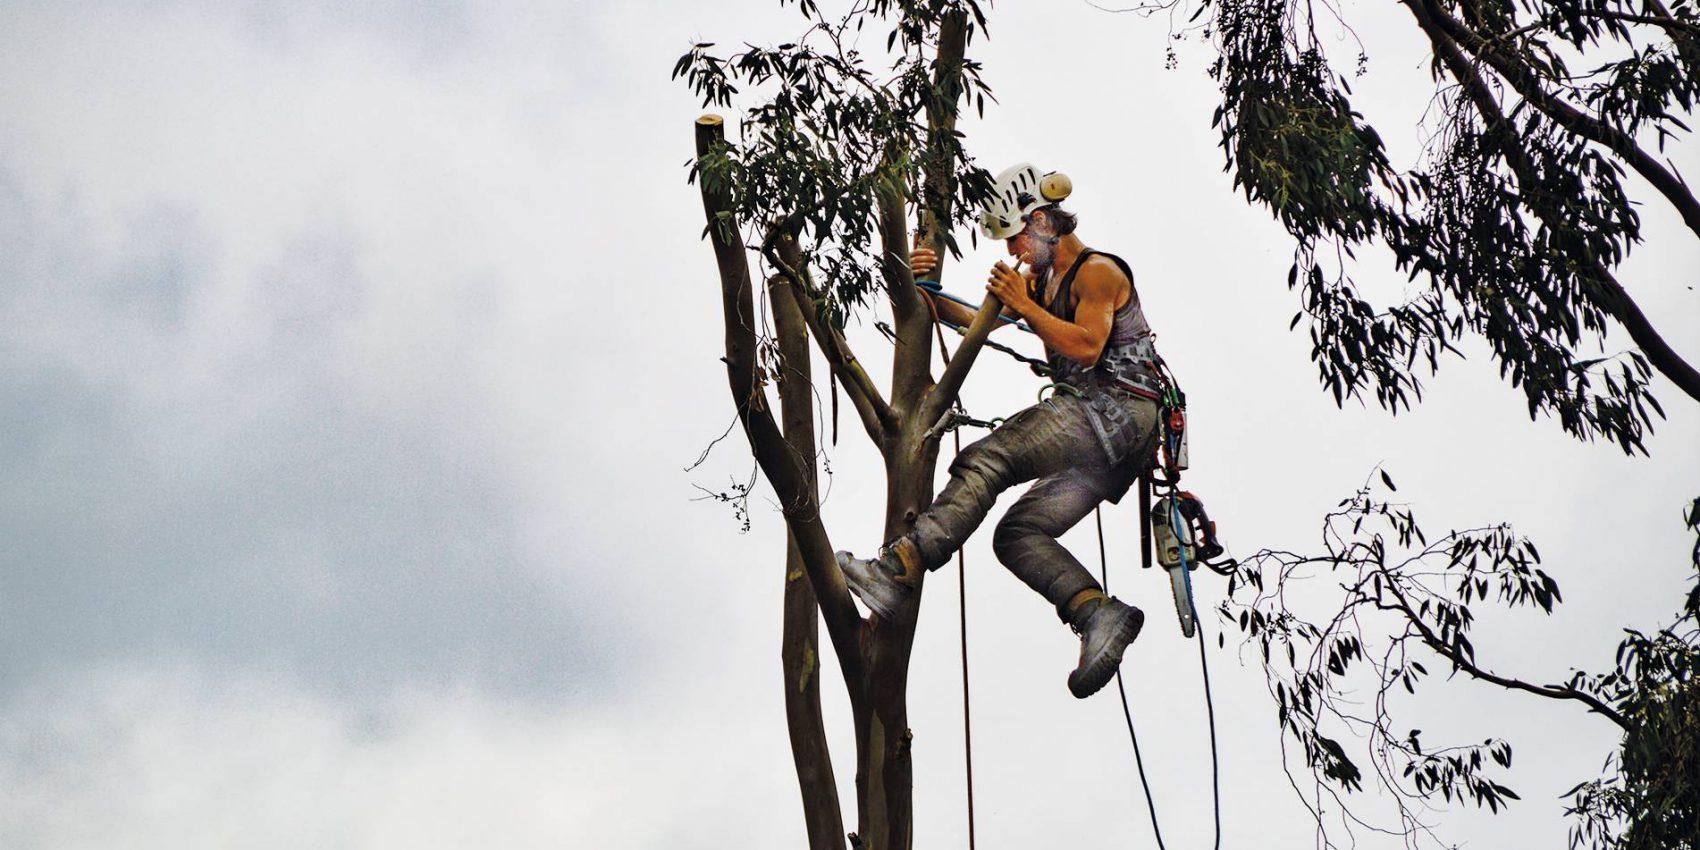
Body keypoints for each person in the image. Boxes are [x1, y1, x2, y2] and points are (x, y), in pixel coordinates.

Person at [836, 163, 1167, 698]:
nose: (1013, 249)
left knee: (991, 457)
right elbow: (976, 318)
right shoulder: (1041, 284)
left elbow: (1086, 345)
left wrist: (1023, 304)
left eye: (1016, 235)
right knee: (1016, 535)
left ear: (1041, 221)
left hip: (1117, 411)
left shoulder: (1097, 273)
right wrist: (921, 286)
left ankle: (899, 567)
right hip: (1107, 446)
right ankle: (1096, 612)